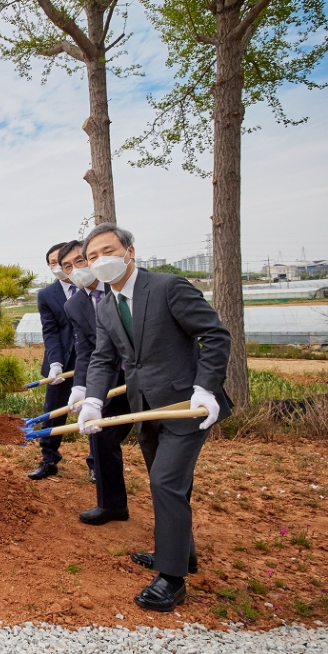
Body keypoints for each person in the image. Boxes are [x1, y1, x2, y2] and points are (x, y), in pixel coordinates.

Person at [80, 222, 231, 612]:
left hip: (187, 407)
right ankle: (183, 555)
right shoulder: (106, 307)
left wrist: (206, 388)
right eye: (92, 256)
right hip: (145, 409)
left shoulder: (167, 287)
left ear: (129, 251)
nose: (100, 261)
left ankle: (171, 579)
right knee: (169, 484)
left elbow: (214, 336)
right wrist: (93, 401)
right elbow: (102, 359)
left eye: (107, 251)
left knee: (165, 482)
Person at [59, 240, 131, 525]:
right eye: (68, 266)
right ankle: (112, 505)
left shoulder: (122, 287)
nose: (76, 269)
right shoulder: (75, 305)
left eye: (80, 260)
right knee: (100, 437)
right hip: (110, 379)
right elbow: (87, 352)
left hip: (146, 377)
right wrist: (81, 387)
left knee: (160, 449)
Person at [28, 241, 79, 480]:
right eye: (53, 264)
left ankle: (96, 464)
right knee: (53, 411)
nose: (59, 266)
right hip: (61, 362)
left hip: (96, 362)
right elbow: (51, 331)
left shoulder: (93, 288)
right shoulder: (47, 295)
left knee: (99, 411)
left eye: (62, 261)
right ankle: (49, 459)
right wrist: (55, 364)